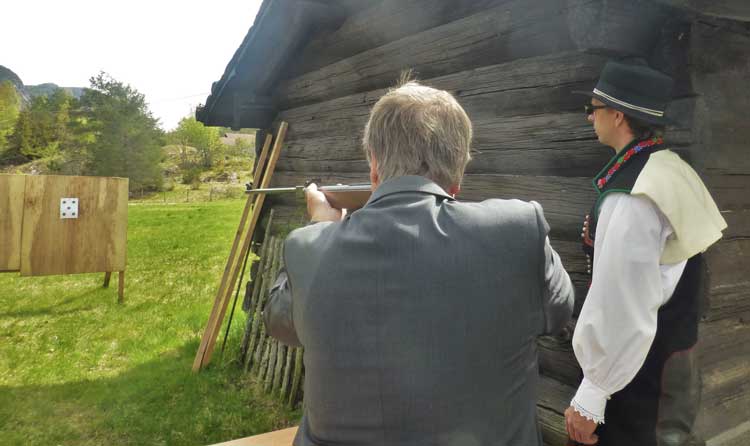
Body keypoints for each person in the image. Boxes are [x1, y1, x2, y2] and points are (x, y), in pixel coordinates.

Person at [264, 80, 574, 446]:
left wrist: (320, 223)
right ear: (458, 170)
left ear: (374, 166)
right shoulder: (518, 231)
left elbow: (281, 323)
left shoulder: (307, 248)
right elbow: (559, 310)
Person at [565, 62, 727, 445]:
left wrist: (593, 394)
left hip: (638, 379)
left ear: (617, 114)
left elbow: (626, 302)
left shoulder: (634, 193)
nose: (590, 118)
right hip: (669, 361)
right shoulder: (669, 168)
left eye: (593, 108)